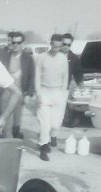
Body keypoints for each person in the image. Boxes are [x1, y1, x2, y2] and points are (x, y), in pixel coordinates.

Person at [0, 31, 35, 139]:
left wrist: (29, 94)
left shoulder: (28, 58)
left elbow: (32, 77)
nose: (15, 45)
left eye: (18, 42)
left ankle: (15, 139)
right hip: (6, 94)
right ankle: (8, 142)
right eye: (13, 42)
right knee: (7, 121)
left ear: (22, 43)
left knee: (17, 122)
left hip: (20, 94)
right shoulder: (2, 55)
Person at [35, 33, 68, 161]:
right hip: (44, 91)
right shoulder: (41, 57)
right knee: (45, 124)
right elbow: (37, 76)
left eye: (59, 47)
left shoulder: (63, 58)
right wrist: (38, 93)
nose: (56, 49)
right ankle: (43, 147)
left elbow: (65, 77)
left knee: (55, 124)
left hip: (58, 92)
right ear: (51, 44)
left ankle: (48, 139)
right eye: (54, 46)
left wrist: (63, 93)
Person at [61, 33, 84, 127]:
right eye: (64, 44)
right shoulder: (52, 54)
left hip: (65, 87)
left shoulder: (73, 58)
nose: (66, 47)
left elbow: (78, 73)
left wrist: (81, 85)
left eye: (68, 45)